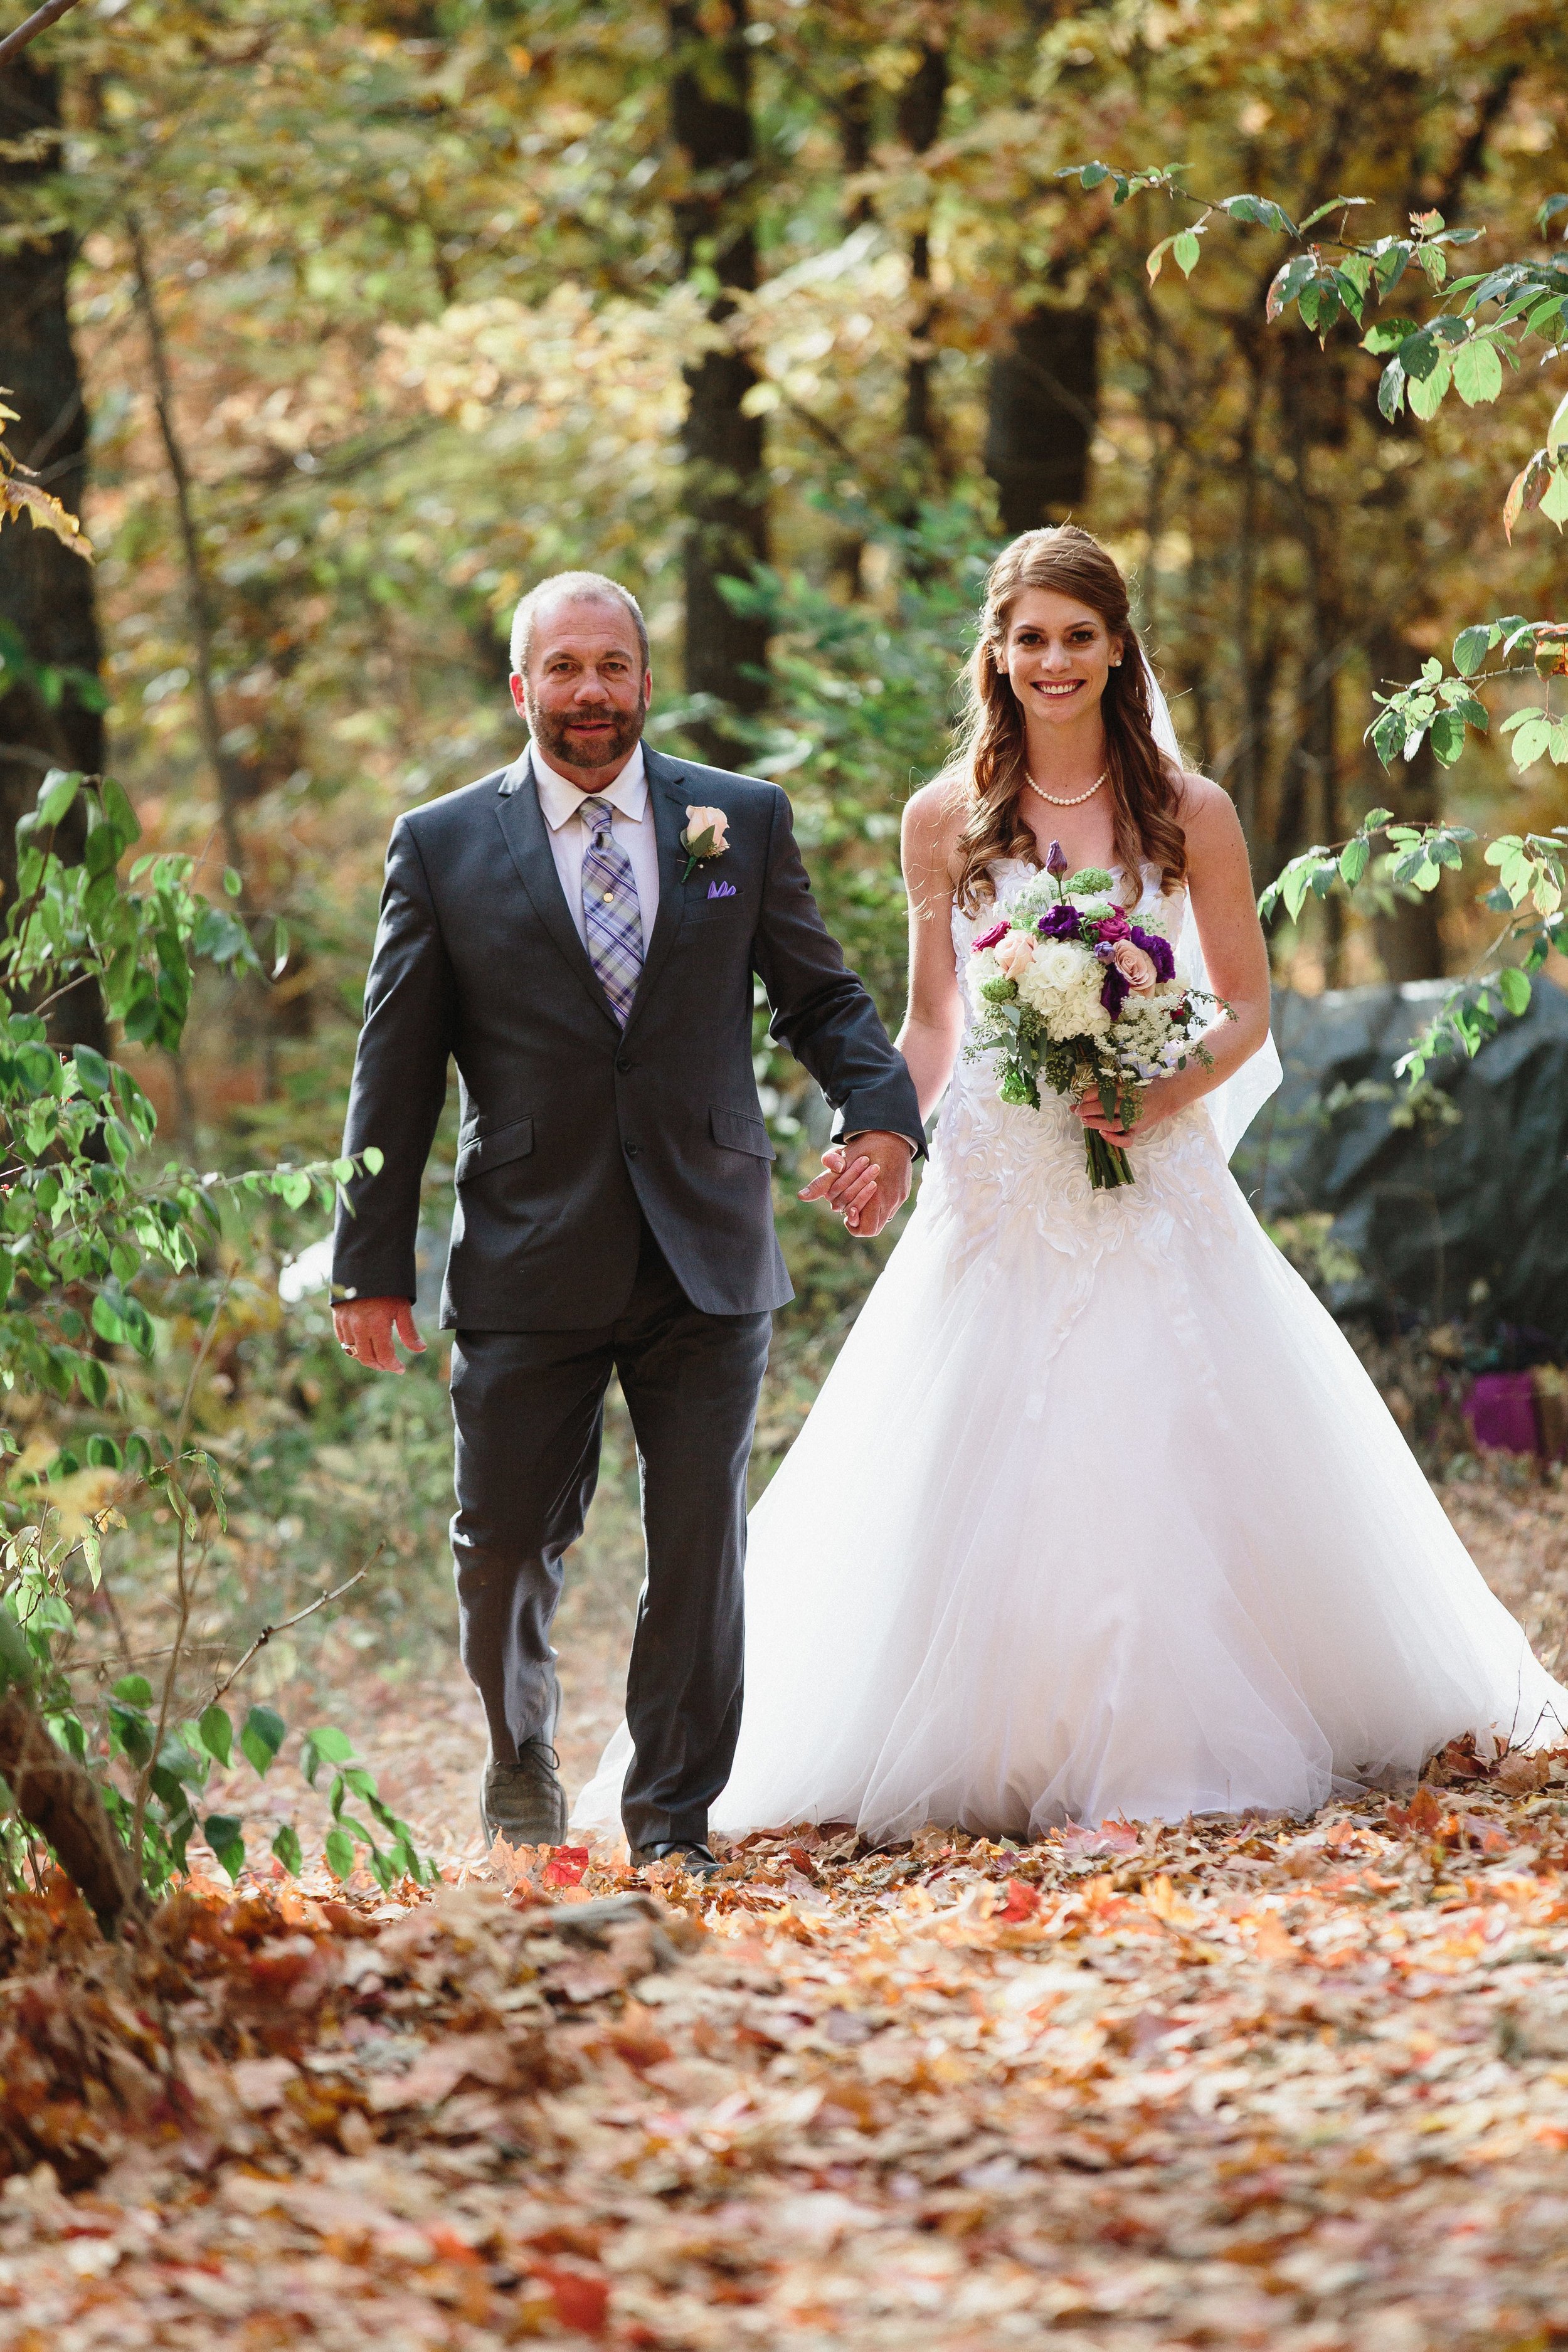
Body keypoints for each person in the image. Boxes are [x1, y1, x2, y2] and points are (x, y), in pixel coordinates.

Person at [575, 524, 1567, 1843]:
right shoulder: (945, 819)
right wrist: (880, 1127)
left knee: (1156, 1429)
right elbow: (931, 1025)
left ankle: (1164, 1736)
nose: (1052, 661)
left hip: (1141, 1162)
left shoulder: (1185, 810)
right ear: (997, 652)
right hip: (996, 1171)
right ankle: (973, 1737)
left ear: (1115, 649)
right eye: (1029, 638)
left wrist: (1149, 1092)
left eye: (1077, 637)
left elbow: (1245, 1011)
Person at [331, 571, 923, 1872]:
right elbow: (394, 1068)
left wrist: (880, 1117)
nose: (588, 692)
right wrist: (368, 1263)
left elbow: (821, 998)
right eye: (563, 669)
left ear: (645, 681)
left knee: (700, 1545)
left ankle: (670, 1823)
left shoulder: (737, 820)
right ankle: (519, 1758)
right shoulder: (438, 845)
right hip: (526, 1251)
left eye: (611, 666)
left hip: (707, 1244)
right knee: (500, 1554)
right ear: (520, 688)